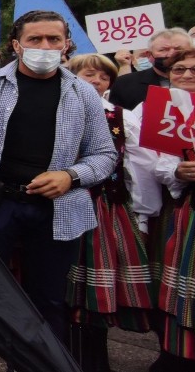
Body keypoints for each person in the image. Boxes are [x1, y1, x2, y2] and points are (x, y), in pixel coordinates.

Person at [0, 10, 117, 372]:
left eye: (54, 39)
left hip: (58, 211)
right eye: (35, 39)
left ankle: (36, 367)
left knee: (49, 302)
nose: (45, 46)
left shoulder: (83, 94)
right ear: (16, 44)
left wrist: (72, 176)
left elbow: (105, 156)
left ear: (67, 44)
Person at [66, 53, 159, 370]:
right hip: (59, 207)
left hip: (103, 211)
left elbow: (140, 170)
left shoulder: (121, 118)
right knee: (57, 287)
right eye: (88, 74)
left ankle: (93, 360)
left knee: (94, 292)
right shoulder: (52, 112)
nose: (95, 81)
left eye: (103, 77)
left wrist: (144, 218)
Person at [152, 47, 195, 372]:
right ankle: (181, 354)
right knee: (184, 282)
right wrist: (177, 171)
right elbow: (158, 162)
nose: (187, 75)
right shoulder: (169, 110)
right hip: (190, 206)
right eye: (179, 70)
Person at [108, 28, 191, 110]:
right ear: (149, 55)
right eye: (163, 50)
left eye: (179, 49)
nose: (171, 54)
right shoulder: (124, 84)